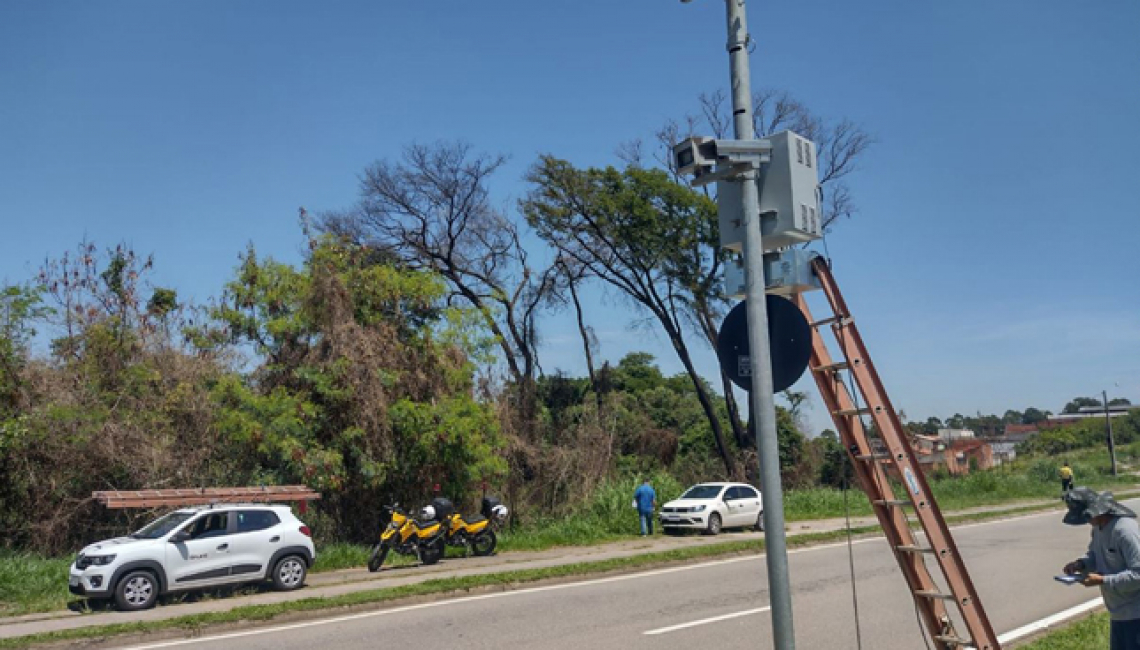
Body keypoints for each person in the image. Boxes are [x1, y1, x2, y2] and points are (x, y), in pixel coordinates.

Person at [1061, 487, 1140, 650]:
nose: (1087, 521)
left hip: (1136, 613)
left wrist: (1103, 580)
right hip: (1118, 611)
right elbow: (1095, 554)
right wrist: (1081, 564)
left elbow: (1138, 574)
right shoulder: (1097, 529)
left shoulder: (1125, 530)